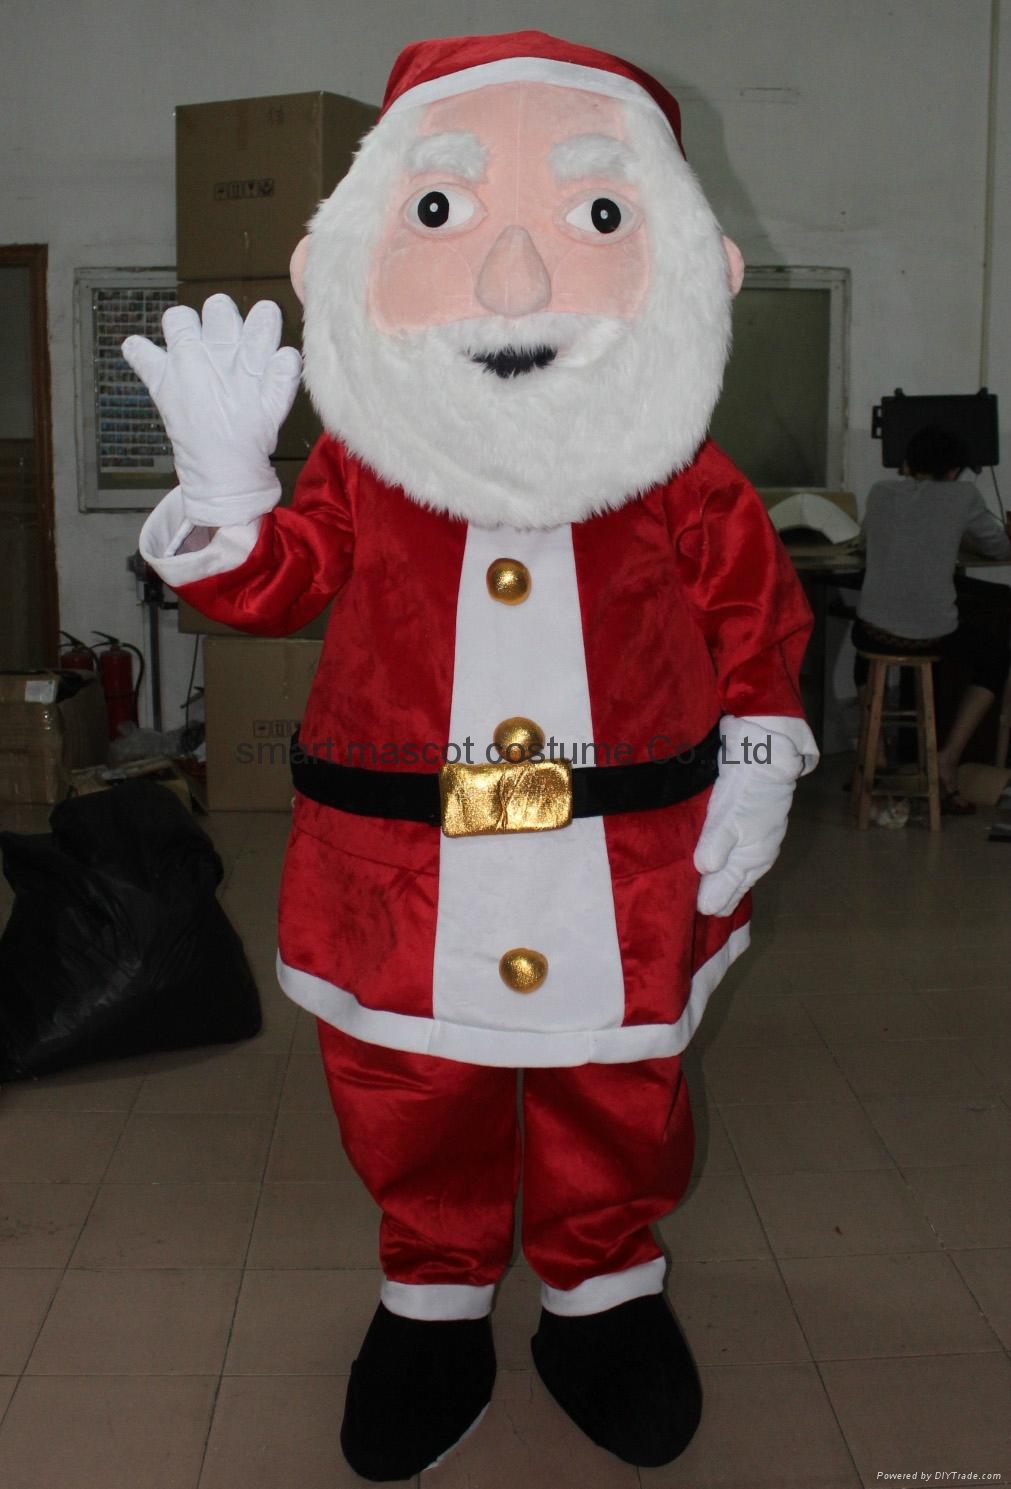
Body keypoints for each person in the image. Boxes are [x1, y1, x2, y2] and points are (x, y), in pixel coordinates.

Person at [124, 32, 817, 1478]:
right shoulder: (368, 462)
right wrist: (224, 498)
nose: (510, 284)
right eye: (441, 213)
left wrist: (759, 745)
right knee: (411, 1085)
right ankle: (432, 1298)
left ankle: (599, 1289)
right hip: (404, 872)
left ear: (695, 265)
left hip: (622, 866)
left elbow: (751, 610)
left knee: (612, 1089)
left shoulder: (679, 472)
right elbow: (273, 586)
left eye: (595, 215)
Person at [854, 425, 1011, 812]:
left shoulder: (880, 491)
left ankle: (877, 754)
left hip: (874, 634)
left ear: (908, 464)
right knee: (995, 657)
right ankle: (948, 758)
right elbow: (998, 547)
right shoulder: (964, 495)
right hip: (933, 635)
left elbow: (866, 541)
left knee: (862, 645)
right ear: (955, 470)